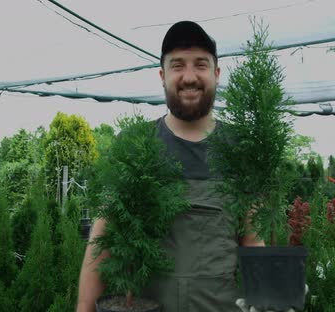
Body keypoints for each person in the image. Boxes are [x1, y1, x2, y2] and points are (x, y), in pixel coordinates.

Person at [77, 21, 272, 312]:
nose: (189, 77)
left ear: (217, 74)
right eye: (177, 65)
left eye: (201, 65)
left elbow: (253, 242)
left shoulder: (239, 149)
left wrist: (273, 298)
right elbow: (102, 245)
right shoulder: (136, 143)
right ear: (162, 75)